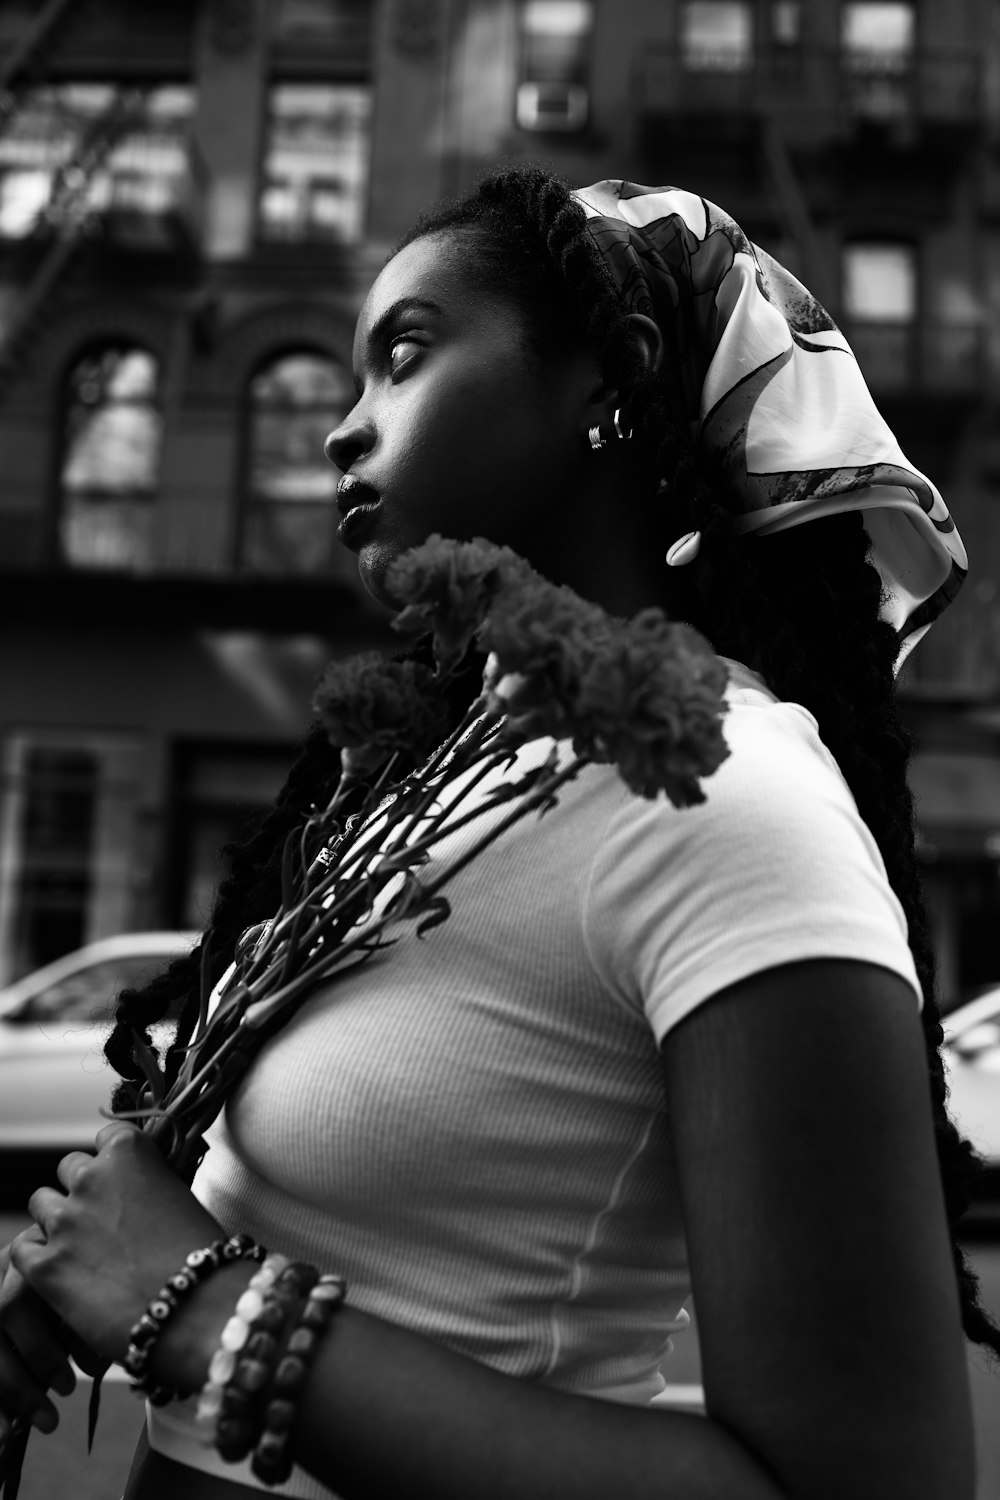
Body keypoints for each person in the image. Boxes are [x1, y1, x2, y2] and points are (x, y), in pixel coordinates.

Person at [0, 163, 995, 1500]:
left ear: (608, 377)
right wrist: (97, 1253)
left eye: (403, 358)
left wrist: (197, 1308)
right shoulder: (433, 779)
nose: (343, 432)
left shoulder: (729, 802)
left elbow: (867, 1482)